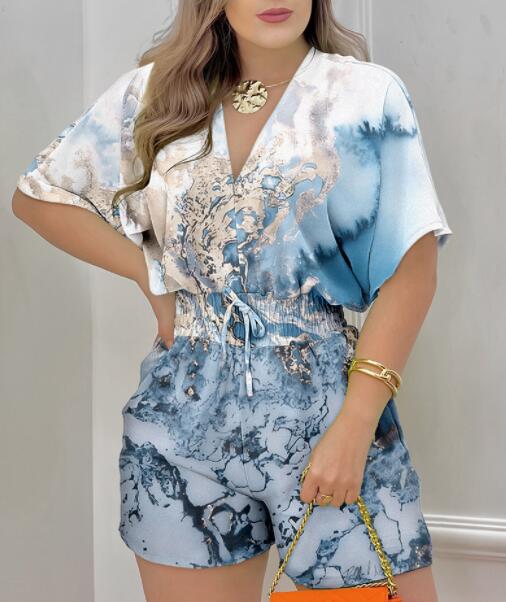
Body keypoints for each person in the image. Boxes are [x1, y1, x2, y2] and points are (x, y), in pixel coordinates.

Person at [12, 1, 453, 601]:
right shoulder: (155, 93)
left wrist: (355, 425)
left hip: (326, 413)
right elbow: (40, 197)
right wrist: (151, 275)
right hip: (177, 419)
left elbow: (411, 272)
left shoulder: (365, 94)